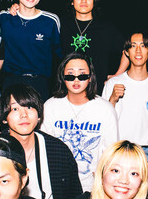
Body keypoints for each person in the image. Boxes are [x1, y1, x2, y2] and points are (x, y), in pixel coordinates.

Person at [0, 84, 83, 199]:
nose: (24, 115)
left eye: (29, 107)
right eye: (15, 109)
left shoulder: (57, 150)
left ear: (39, 115)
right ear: (4, 117)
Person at [41, 53, 119, 191]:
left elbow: (112, 152)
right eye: (70, 75)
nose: (76, 80)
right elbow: (44, 149)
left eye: (82, 75)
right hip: (57, 184)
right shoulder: (50, 107)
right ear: (62, 77)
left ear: (90, 77)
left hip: (92, 187)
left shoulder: (105, 109)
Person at [101, 31, 148, 161]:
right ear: (126, 52)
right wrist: (113, 99)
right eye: (133, 46)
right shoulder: (113, 83)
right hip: (118, 149)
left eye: (143, 46)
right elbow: (103, 121)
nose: (138, 50)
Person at [61, 0, 129, 82]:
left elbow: (127, 51)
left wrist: (117, 76)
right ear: (72, 1)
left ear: (94, 1)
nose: (84, 1)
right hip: (67, 85)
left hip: (97, 87)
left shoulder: (106, 28)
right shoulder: (61, 25)